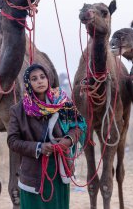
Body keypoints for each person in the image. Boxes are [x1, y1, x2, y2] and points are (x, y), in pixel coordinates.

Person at [7, 63, 86, 209]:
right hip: (32, 174)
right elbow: (12, 141)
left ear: (48, 79)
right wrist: (39, 147)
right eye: (34, 78)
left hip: (59, 170)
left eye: (42, 77)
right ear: (28, 83)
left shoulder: (62, 103)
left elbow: (77, 126)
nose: (40, 81)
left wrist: (68, 140)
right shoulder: (18, 110)